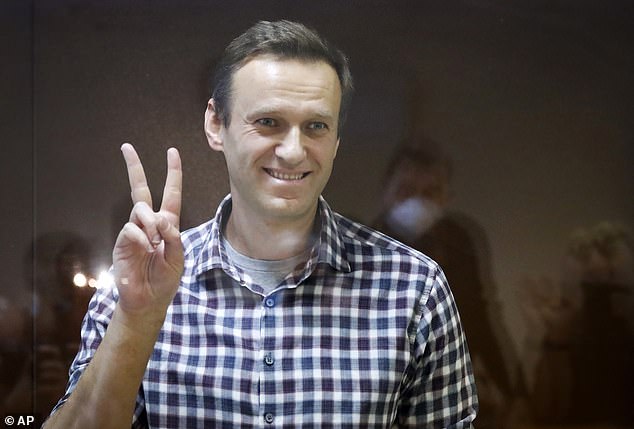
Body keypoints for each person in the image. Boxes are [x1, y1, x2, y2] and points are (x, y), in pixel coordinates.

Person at [44, 20, 477, 428]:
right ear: (216, 124)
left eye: (316, 127)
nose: (293, 151)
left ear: (337, 140)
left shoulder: (413, 288)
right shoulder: (138, 282)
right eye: (269, 122)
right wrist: (138, 319)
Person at [374, 142, 520, 428]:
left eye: (430, 193)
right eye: (405, 191)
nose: (416, 202)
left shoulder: (459, 242)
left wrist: (511, 391)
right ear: (386, 194)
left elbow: (478, 316)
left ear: (446, 199)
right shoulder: (364, 248)